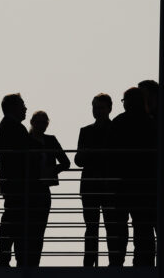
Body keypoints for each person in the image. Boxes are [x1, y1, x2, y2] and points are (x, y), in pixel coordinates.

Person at [107, 87, 157, 267]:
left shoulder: (119, 122)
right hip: (145, 182)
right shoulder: (150, 122)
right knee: (143, 226)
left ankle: (116, 261)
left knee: (119, 227)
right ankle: (144, 262)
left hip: (122, 181)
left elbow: (111, 152)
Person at [0, 93, 37, 267]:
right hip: (17, 183)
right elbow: (27, 151)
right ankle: (10, 258)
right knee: (15, 220)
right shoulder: (14, 127)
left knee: (12, 220)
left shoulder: (7, 126)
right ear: (14, 108)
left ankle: (8, 257)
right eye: (22, 105)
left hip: (11, 182)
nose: (26, 108)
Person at [75, 93, 117, 267]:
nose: (96, 111)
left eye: (100, 107)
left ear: (109, 109)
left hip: (100, 183)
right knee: (96, 226)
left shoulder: (110, 130)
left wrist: (89, 153)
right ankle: (99, 262)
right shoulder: (109, 129)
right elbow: (78, 160)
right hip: (96, 184)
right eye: (95, 107)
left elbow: (80, 159)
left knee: (106, 226)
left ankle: (98, 262)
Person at [28, 110, 70, 267]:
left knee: (39, 231)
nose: (42, 125)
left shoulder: (50, 140)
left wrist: (53, 170)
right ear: (32, 123)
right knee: (29, 230)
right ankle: (26, 262)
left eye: (44, 122)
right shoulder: (27, 140)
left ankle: (34, 264)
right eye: (39, 122)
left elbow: (66, 162)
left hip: (43, 188)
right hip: (30, 189)